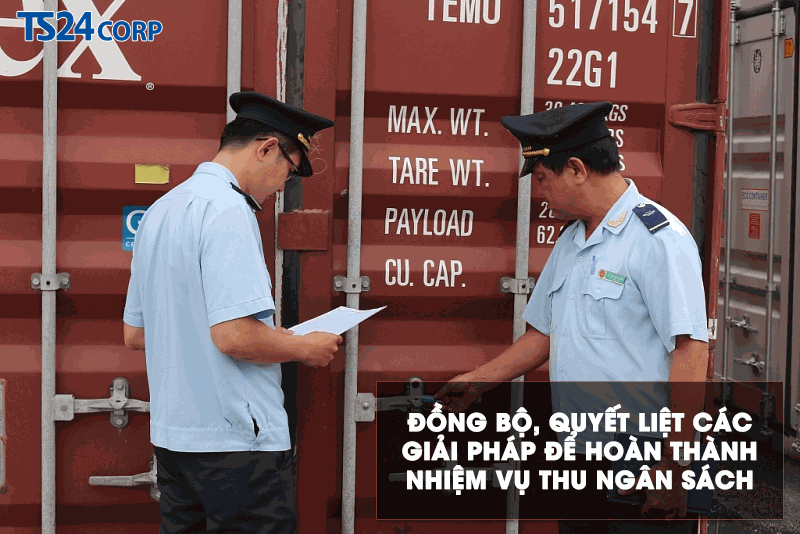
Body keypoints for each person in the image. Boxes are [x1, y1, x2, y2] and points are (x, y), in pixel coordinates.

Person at [435, 102, 710, 532]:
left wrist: (675, 465)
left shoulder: (659, 239)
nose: (540, 193)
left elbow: (691, 352)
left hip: (643, 460)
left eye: (543, 179)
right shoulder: (572, 239)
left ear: (577, 169)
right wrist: (477, 381)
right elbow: (544, 334)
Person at [122, 91, 343, 534]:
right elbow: (235, 336)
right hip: (237, 444)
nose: (282, 186)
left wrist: (264, 338)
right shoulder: (228, 210)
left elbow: (137, 334)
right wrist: (304, 348)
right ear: (267, 148)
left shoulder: (161, 211)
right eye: (289, 170)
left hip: (175, 441)